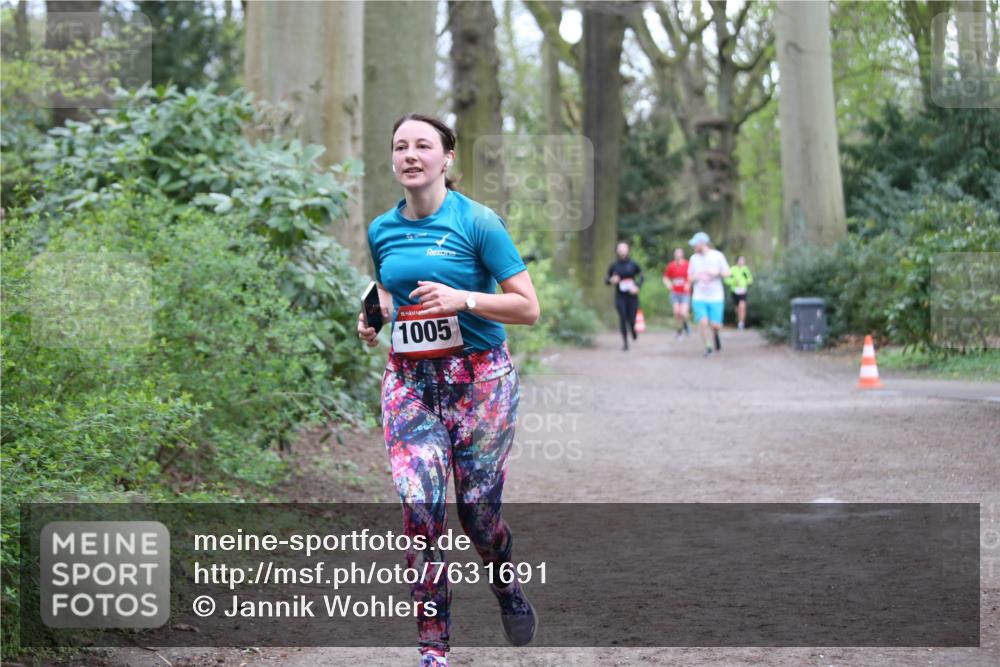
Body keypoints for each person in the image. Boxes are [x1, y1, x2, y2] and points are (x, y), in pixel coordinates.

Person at [357, 113, 540, 667]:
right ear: (392, 160)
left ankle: (505, 584)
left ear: (447, 157)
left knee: (478, 518)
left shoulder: (479, 222)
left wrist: (465, 298)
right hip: (410, 384)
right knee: (420, 510)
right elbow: (392, 296)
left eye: (422, 145)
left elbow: (528, 307)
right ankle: (433, 648)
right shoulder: (381, 229)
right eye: (400, 146)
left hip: (480, 382)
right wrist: (374, 317)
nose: (410, 155)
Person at [686, 231, 730, 357]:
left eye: (695, 244)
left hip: (716, 297)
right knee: (703, 322)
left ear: (702, 243)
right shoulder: (693, 258)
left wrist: (717, 272)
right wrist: (696, 277)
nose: (693, 247)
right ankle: (708, 346)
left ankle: (715, 334)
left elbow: (727, 273)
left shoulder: (717, 256)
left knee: (715, 325)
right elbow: (689, 277)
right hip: (699, 296)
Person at [605, 241, 644, 351]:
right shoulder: (614, 265)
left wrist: (637, 286)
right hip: (620, 296)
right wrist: (611, 280)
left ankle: (633, 330)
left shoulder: (633, 264)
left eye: (624, 248)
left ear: (627, 250)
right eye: (620, 248)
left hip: (632, 296)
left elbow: (641, 276)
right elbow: (606, 280)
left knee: (632, 319)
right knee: (622, 317)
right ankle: (625, 343)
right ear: (617, 251)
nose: (622, 250)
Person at [663, 247, 691, 339]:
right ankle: (679, 331)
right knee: (676, 312)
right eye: (676, 253)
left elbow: (692, 275)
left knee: (683, 312)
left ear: (682, 254)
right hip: (675, 292)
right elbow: (665, 277)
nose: (678, 255)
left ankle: (685, 323)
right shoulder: (671, 265)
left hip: (685, 292)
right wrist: (669, 284)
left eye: (680, 253)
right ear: (674, 255)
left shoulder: (687, 264)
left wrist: (688, 283)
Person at [725, 255, 754, 330]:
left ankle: (741, 323)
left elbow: (750, 279)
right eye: (741, 260)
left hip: (743, 291)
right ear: (737, 261)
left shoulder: (745, 270)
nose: (742, 262)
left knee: (742, 306)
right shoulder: (732, 269)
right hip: (735, 291)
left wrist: (745, 282)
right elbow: (726, 280)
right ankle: (738, 321)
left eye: (743, 260)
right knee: (737, 309)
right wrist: (734, 282)